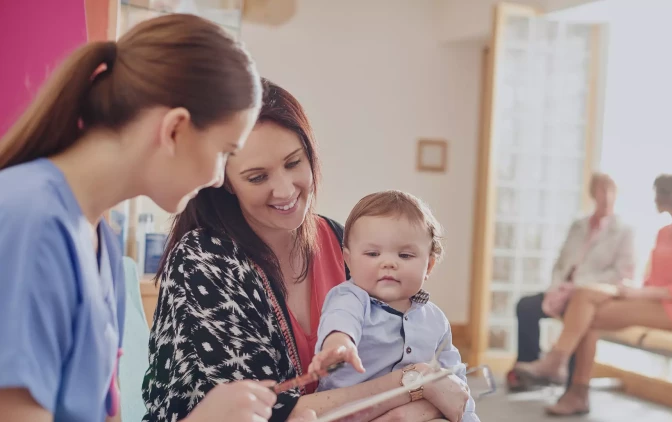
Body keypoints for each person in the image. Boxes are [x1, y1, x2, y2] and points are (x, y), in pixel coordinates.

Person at [0, 13, 301, 422]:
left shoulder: (100, 242)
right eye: (223, 152)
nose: (217, 177)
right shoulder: (30, 220)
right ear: (174, 129)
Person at [142, 81, 469, 422]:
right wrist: (412, 383)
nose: (284, 190)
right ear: (223, 178)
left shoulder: (343, 242)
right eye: (257, 177)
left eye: (294, 163)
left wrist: (415, 400)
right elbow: (268, 413)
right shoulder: (205, 262)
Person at [514, 174, 672, 416]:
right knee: (586, 298)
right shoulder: (663, 232)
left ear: (670, 196)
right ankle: (573, 388)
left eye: (658, 192)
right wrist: (635, 291)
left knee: (589, 317)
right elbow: (653, 277)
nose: (654, 198)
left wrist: (642, 293)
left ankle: (562, 371)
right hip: (650, 301)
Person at [309, 190, 476, 422]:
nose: (388, 263)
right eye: (373, 253)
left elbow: (454, 381)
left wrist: (465, 416)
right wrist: (339, 344)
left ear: (428, 266)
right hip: (351, 413)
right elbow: (341, 319)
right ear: (348, 260)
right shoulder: (350, 297)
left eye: (405, 255)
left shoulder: (435, 320)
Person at [506, 173, 635, 392]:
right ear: (593, 193)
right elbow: (561, 263)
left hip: (590, 295)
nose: (605, 196)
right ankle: (528, 368)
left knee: (580, 316)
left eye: (610, 190)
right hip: (561, 290)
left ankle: (570, 384)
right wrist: (556, 287)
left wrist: (580, 287)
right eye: (601, 190)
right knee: (526, 306)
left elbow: (623, 274)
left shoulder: (624, 231)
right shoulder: (579, 225)